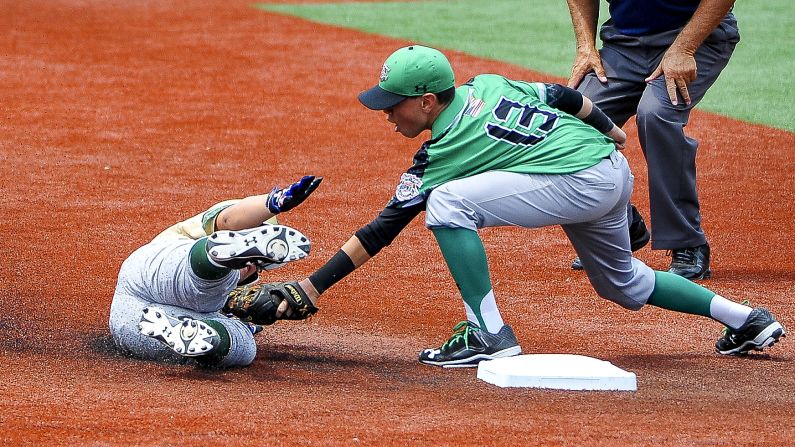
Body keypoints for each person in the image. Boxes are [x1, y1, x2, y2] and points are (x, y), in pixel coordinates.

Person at [246, 45, 784, 368]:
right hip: (608, 171)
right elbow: (561, 96)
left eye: (395, 104)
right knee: (623, 285)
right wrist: (612, 131)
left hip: (580, 181)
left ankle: (488, 334)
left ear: (428, 100)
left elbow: (382, 228)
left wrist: (309, 288)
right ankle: (747, 321)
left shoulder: (442, 151)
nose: (387, 113)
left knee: (449, 204)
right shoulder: (489, 83)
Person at [565, 0, 741, 280]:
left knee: (656, 114)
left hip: (695, 37)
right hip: (624, 44)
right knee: (569, 123)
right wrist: (585, 47)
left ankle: (687, 242)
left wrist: (684, 49)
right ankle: (619, 227)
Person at [108, 176, 321, 368]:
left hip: (132, 321)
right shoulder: (199, 229)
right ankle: (214, 258)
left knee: (245, 345)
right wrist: (274, 202)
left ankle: (206, 337)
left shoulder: (231, 288)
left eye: (258, 264)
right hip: (156, 272)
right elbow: (228, 220)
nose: (253, 268)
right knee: (210, 281)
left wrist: (240, 314)